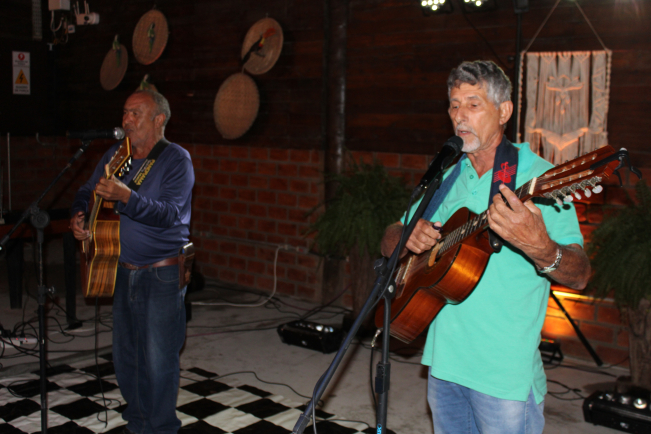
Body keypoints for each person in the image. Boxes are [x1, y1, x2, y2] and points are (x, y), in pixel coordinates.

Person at [380, 60, 591, 434]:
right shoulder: (448, 176)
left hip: (503, 375)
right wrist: (405, 237)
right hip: (444, 363)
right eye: (454, 105)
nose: (460, 116)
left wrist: (542, 247)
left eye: (473, 104)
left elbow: (580, 274)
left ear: (504, 111)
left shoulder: (540, 178)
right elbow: (390, 236)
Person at [70, 90, 195, 434]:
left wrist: (127, 197)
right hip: (122, 269)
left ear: (159, 120)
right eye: (125, 112)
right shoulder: (116, 155)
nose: (126, 120)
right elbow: (87, 190)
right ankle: (137, 424)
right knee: (127, 358)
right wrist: (79, 214)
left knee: (158, 359)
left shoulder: (176, 159)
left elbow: (169, 213)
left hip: (162, 272)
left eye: (136, 113)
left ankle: (162, 428)